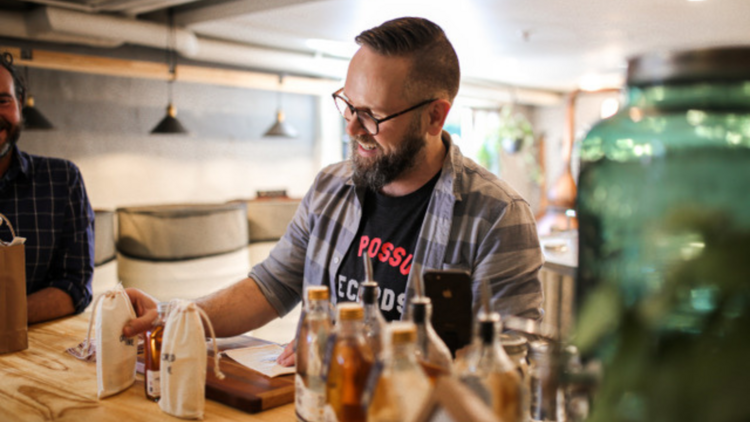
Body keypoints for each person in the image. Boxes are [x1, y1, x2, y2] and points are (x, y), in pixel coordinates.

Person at [123, 17, 544, 366]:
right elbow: (271, 286)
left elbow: (509, 359)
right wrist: (173, 316)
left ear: (436, 116)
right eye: (348, 105)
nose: (352, 127)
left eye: (372, 115)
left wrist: (362, 354)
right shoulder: (331, 186)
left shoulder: (498, 216)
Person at [0, 52, 95, 323]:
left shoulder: (62, 179)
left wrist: (7, 317)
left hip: (39, 358)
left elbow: (75, 286)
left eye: (2, 100)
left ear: (19, 104)